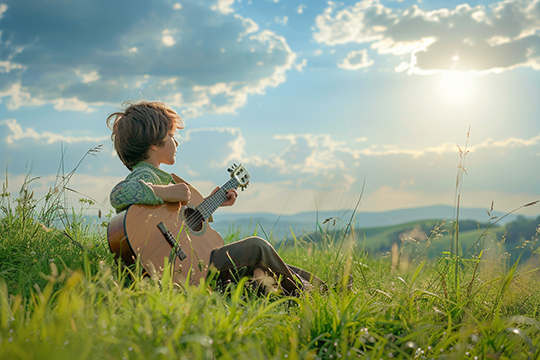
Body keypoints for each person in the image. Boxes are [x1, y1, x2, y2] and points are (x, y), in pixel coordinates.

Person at [107, 101, 324, 296]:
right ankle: (310, 293)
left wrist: (214, 202)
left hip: (193, 261)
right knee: (257, 247)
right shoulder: (147, 176)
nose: (177, 143)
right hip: (189, 266)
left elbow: (181, 224)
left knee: (261, 264)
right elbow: (118, 193)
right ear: (155, 143)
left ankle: (321, 289)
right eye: (172, 136)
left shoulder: (163, 178)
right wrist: (165, 192)